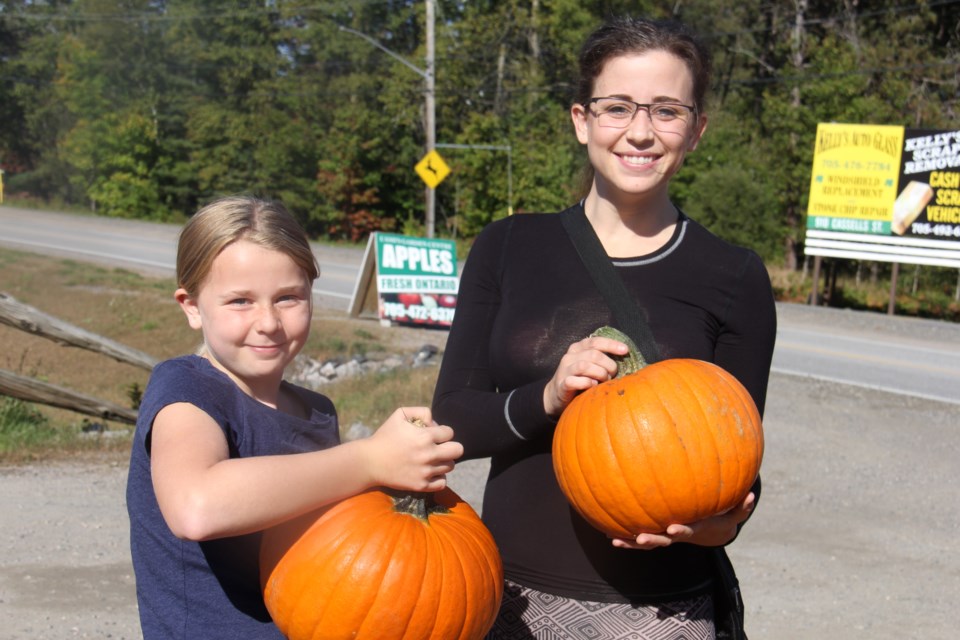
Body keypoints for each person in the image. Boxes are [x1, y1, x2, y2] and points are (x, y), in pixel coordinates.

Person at [432, 15, 776, 640]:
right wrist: (548, 396)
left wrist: (720, 525)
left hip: (661, 617)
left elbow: (737, 459)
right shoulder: (508, 246)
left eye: (667, 111)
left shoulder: (735, 276)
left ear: (696, 130)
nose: (641, 132)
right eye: (618, 107)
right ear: (582, 120)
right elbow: (453, 419)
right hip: (506, 603)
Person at [126, 195, 463, 639]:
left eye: (288, 298)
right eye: (240, 301)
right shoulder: (186, 390)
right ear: (191, 306)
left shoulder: (316, 411)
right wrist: (369, 460)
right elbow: (196, 506)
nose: (268, 322)